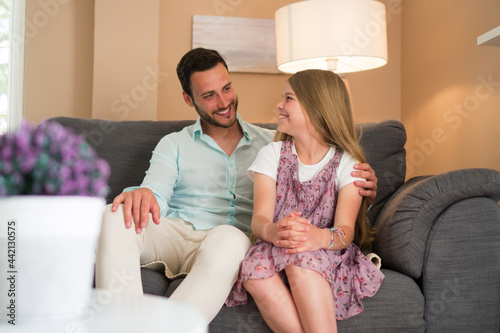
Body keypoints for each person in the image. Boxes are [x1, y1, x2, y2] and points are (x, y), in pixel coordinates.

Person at [95, 48, 379, 326]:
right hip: (176, 233)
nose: (223, 101)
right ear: (188, 98)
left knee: (230, 239)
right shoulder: (174, 144)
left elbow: (322, 166)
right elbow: (155, 194)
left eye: (227, 88)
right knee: (114, 213)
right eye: (208, 95)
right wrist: (143, 193)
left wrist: (364, 185)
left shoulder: (275, 143)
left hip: (228, 243)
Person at [225, 69, 385, 333]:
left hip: (324, 248)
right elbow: (260, 220)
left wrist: (317, 237)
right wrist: (274, 231)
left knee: (303, 262)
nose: (279, 105)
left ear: (316, 107)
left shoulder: (347, 164)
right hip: (277, 246)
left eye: (288, 98)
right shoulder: (272, 154)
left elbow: (345, 232)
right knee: (255, 273)